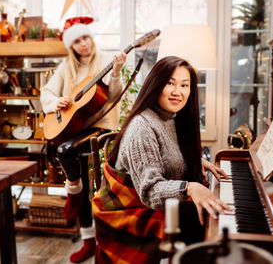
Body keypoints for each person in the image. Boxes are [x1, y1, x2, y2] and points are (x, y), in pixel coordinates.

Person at [92, 56, 231, 263]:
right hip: (131, 214)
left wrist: (194, 161)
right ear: (156, 84)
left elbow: (165, 152)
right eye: (170, 83)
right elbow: (149, 192)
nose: (178, 92)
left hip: (151, 206)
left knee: (207, 211)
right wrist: (190, 187)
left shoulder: (171, 116)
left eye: (185, 85)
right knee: (201, 217)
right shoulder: (142, 127)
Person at [40, 16, 126, 263]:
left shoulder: (106, 60)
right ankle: (88, 241)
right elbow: (46, 92)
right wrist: (55, 102)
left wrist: (117, 70)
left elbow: (113, 98)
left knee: (67, 154)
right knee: (81, 178)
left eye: (85, 37)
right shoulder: (66, 67)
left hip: (100, 128)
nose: (84, 43)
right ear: (72, 46)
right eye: (77, 41)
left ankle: (73, 192)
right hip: (74, 128)